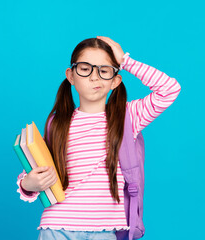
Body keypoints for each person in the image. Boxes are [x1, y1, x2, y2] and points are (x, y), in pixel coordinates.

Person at [16, 36, 181, 240]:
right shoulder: (57, 123)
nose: (95, 77)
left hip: (104, 230)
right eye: (85, 69)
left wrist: (126, 62)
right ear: (71, 75)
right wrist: (28, 184)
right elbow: (37, 168)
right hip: (56, 226)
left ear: (115, 80)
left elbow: (169, 90)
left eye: (104, 71)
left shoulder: (129, 117)